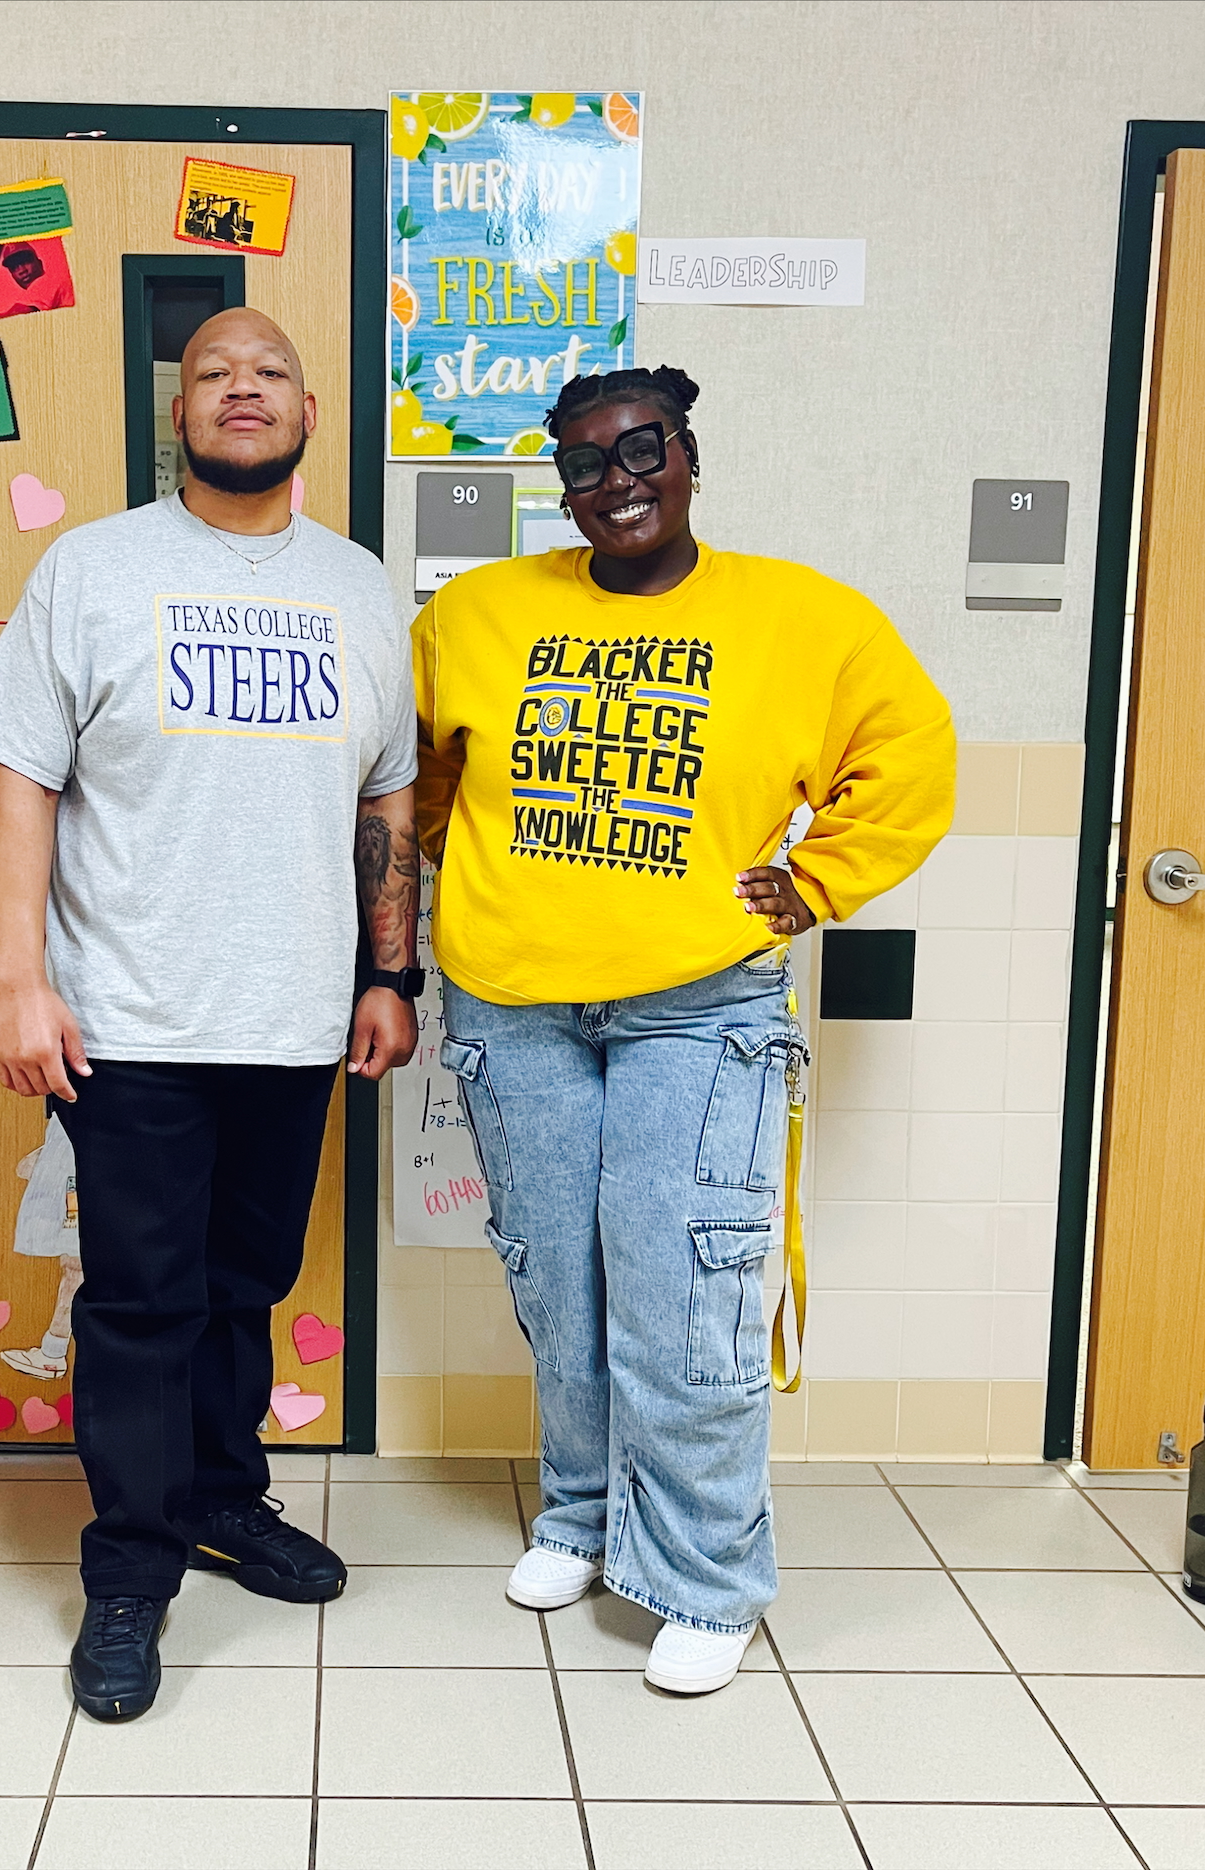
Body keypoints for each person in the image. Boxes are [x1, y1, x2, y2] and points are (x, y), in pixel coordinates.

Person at [414, 365, 954, 1695]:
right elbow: (414, 777)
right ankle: (583, 1518)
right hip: (514, 1000)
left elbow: (916, 752)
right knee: (560, 1279)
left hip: (698, 1007)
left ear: (690, 453)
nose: (619, 480)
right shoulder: (477, 613)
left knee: (687, 1291)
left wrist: (814, 879)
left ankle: (709, 1576)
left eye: (642, 449)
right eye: (587, 463)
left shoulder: (802, 617)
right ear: (564, 484)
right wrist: (466, 876)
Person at [0, 308, 421, 1723]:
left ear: (310, 412)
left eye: (268, 369)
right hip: (130, 1021)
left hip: (292, 1023)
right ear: (179, 409)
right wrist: (19, 978)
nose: (240, 387)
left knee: (243, 1289)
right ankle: (131, 1571)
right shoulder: (92, 571)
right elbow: (22, 777)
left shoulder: (362, 591)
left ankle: (227, 1501)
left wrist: (389, 976)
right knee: (143, 1305)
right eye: (212, 369)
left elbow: (387, 800)